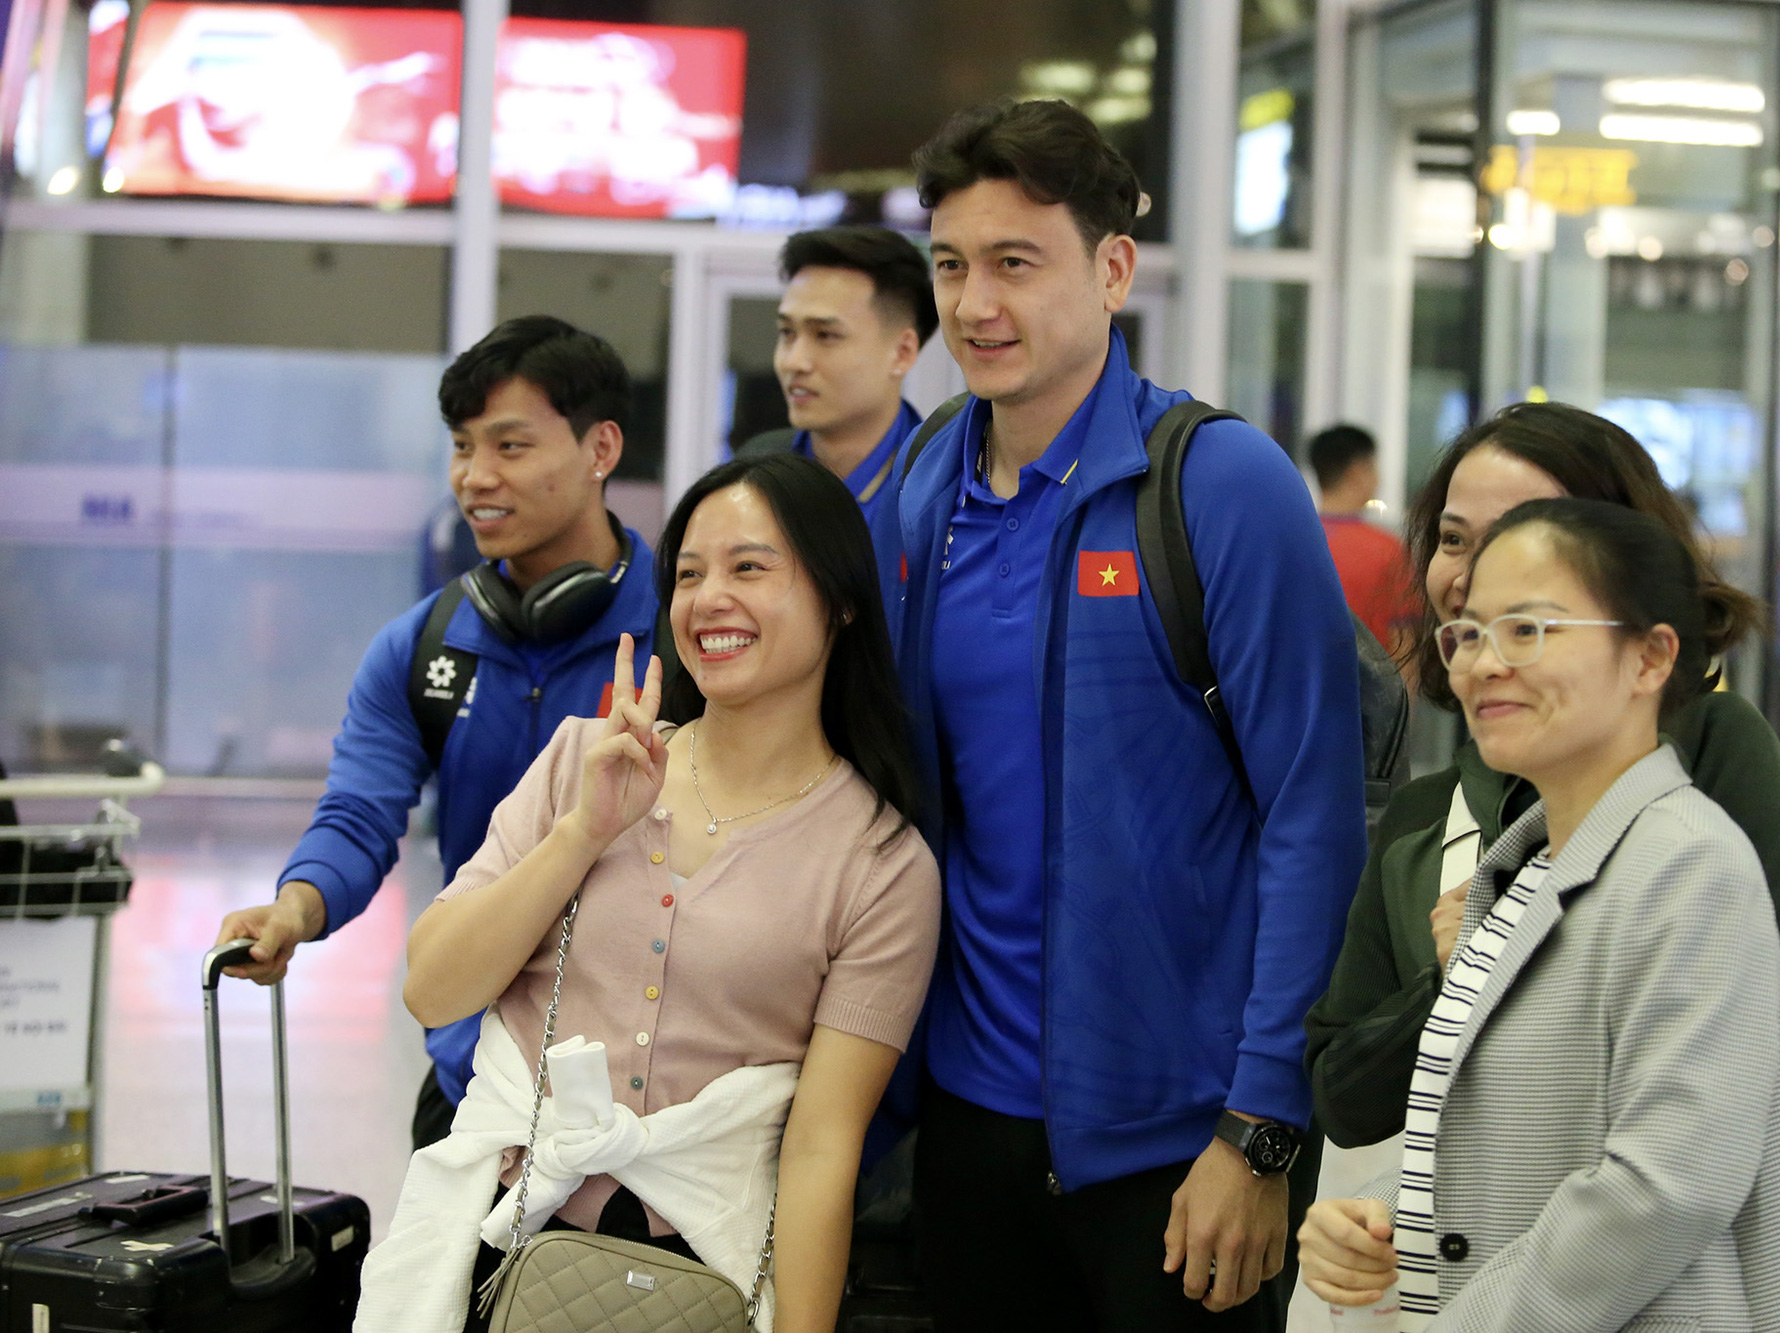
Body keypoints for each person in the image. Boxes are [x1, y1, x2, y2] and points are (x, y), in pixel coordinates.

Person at [890, 99, 1367, 1331]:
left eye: (1013, 263)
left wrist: (1260, 1131)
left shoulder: (1216, 485)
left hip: (1179, 1142)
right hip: (967, 1120)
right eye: (949, 265)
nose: (973, 305)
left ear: (1111, 270)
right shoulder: (927, 482)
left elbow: (1313, 815)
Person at [357, 452, 941, 1333]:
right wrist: (583, 832)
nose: (710, 599)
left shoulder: (881, 862)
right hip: (495, 1248)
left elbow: (822, 1149)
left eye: (750, 567)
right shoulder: (580, 762)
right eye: (690, 573)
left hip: (702, 1272)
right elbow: (432, 987)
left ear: (842, 599)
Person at [1298, 497, 1780, 1332]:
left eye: (1529, 629)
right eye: (1468, 632)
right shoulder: (1529, 870)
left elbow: (1664, 1188)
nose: (1483, 663)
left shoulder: (1688, 865)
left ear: (1650, 656)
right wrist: (1393, 1225)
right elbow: (1516, 1144)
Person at [1305, 402, 1780, 1159]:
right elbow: (1345, 1096)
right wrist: (1452, 984)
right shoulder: (1425, 813)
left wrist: (1505, 967)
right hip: (1453, 1260)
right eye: (1454, 539)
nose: (1474, 572)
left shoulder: (1711, 759)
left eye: (1522, 535)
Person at [211, 316, 667, 1150]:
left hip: (649, 1096)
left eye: (510, 446)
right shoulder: (424, 647)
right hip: (473, 1077)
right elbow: (359, 812)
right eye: (462, 446)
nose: (475, 478)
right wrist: (293, 909)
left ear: (601, 448)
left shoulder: (685, 637)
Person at [740, 224, 938, 537]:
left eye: (826, 335)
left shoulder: (943, 490)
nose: (794, 361)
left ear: (902, 352)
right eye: (787, 333)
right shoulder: (751, 474)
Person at [1307, 423, 1415, 656]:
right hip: (1367, 687)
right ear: (1357, 472)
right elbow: (1404, 640)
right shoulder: (1387, 549)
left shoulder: (1292, 542)